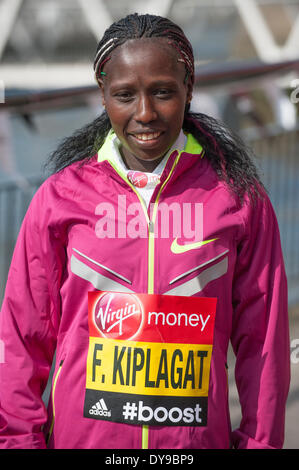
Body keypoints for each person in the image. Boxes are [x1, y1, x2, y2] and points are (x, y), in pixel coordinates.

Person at [0, 13, 290, 450]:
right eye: (124, 95)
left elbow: (263, 344)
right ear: (102, 95)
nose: (145, 113)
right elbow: (22, 340)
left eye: (163, 92)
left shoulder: (239, 199)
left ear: (189, 88)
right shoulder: (59, 198)